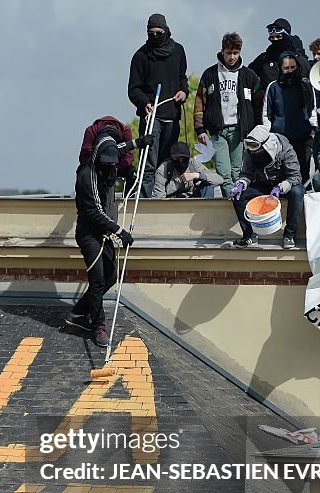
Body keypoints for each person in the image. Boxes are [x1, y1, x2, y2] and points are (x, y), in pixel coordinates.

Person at [67, 125, 149, 347]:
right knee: (98, 281)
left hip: (103, 230)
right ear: (97, 157)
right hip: (89, 234)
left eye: (112, 164)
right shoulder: (87, 175)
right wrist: (119, 231)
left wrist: (139, 143)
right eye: (106, 164)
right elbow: (95, 212)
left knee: (112, 276)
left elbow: (120, 148)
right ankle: (98, 326)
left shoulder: (109, 152)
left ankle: (78, 312)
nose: (110, 168)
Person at [128, 13, 189, 198]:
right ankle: (147, 202)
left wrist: (184, 92)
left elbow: (182, 78)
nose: (155, 36)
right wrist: (144, 103)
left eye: (159, 32)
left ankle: (164, 197)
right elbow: (133, 89)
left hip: (172, 116)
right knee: (149, 163)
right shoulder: (140, 56)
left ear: (166, 30)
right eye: (151, 33)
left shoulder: (178, 51)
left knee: (167, 163)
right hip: (151, 118)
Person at [194, 32, 261, 196]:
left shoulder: (249, 76)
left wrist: (256, 128)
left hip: (240, 130)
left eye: (235, 53)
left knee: (237, 172)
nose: (232, 57)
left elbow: (259, 104)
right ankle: (231, 202)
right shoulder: (209, 74)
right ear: (222, 51)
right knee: (223, 173)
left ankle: (237, 204)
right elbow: (199, 103)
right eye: (229, 52)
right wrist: (200, 129)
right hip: (218, 131)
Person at [226, 124, 303, 250]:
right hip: (263, 185)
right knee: (239, 196)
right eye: (251, 149)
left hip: (284, 185)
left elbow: (295, 176)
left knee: (298, 192)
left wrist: (281, 187)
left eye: (256, 149)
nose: (253, 152)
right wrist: (241, 183)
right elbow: (246, 173)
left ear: (266, 145)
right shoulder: (250, 151)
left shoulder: (284, 148)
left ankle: (289, 235)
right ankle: (249, 235)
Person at [262, 53, 317, 183]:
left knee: (303, 173)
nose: (290, 71)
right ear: (280, 68)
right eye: (286, 68)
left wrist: (313, 129)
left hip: (303, 138)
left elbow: (312, 109)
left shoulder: (306, 85)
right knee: (281, 176)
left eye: (293, 67)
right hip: (280, 140)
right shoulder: (273, 87)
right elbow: (266, 114)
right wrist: (269, 136)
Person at [249, 18, 311, 119]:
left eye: (279, 37)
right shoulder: (264, 58)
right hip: (268, 112)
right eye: (272, 38)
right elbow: (248, 74)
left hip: (294, 112)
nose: (275, 40)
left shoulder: (300, 60)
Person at [153, 142, 223, 198]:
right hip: (171, 203)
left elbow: (219, 179)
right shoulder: (163, 169)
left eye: (184, 159)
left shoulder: (193, 164)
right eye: (177, 159)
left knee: (208, 184)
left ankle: (206, 212)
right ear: (171, 158)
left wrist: (197, 175)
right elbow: (158, 198)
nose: (180, 162)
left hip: (191, 199)